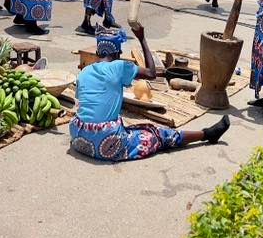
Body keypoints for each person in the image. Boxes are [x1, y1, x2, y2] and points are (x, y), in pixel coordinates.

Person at [69, 25, 230, 162]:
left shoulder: (85, 72)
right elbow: (152, 73)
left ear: (98, 51)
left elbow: (85, 105)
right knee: (158, 134)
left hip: (78, 136)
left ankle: (205, 134)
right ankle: (207, 134)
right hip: (104, 142)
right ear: (117, 52)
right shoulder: (119, 66)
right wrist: (142, 39)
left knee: (139, 127)